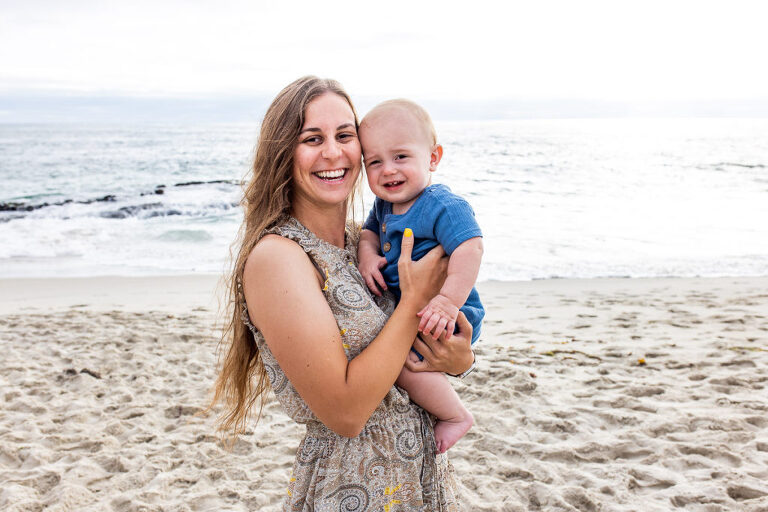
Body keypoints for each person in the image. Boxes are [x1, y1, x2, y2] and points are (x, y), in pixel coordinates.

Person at [210, 76, 475, 511]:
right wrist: (412, 301)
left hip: (420, 476)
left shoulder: (366, 243)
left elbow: (418, 354)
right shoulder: (280, 257)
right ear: (283, 153)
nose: (333, 153)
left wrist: (459, 359)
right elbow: (346, 413)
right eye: (312, 138)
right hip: (355, 485)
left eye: (344, 135)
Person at [357, 99, 484, 454]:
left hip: (450, 311)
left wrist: (446, 301)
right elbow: (368, 232)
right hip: (418, 309)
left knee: (404, 363)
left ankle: (456, 415)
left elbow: (470, 248)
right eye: (375, 162)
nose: (387, 170)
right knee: (399, 359)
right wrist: (368, 256)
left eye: (400, 157)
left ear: (433, 157)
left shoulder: (443, 204)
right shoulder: (383, 206)